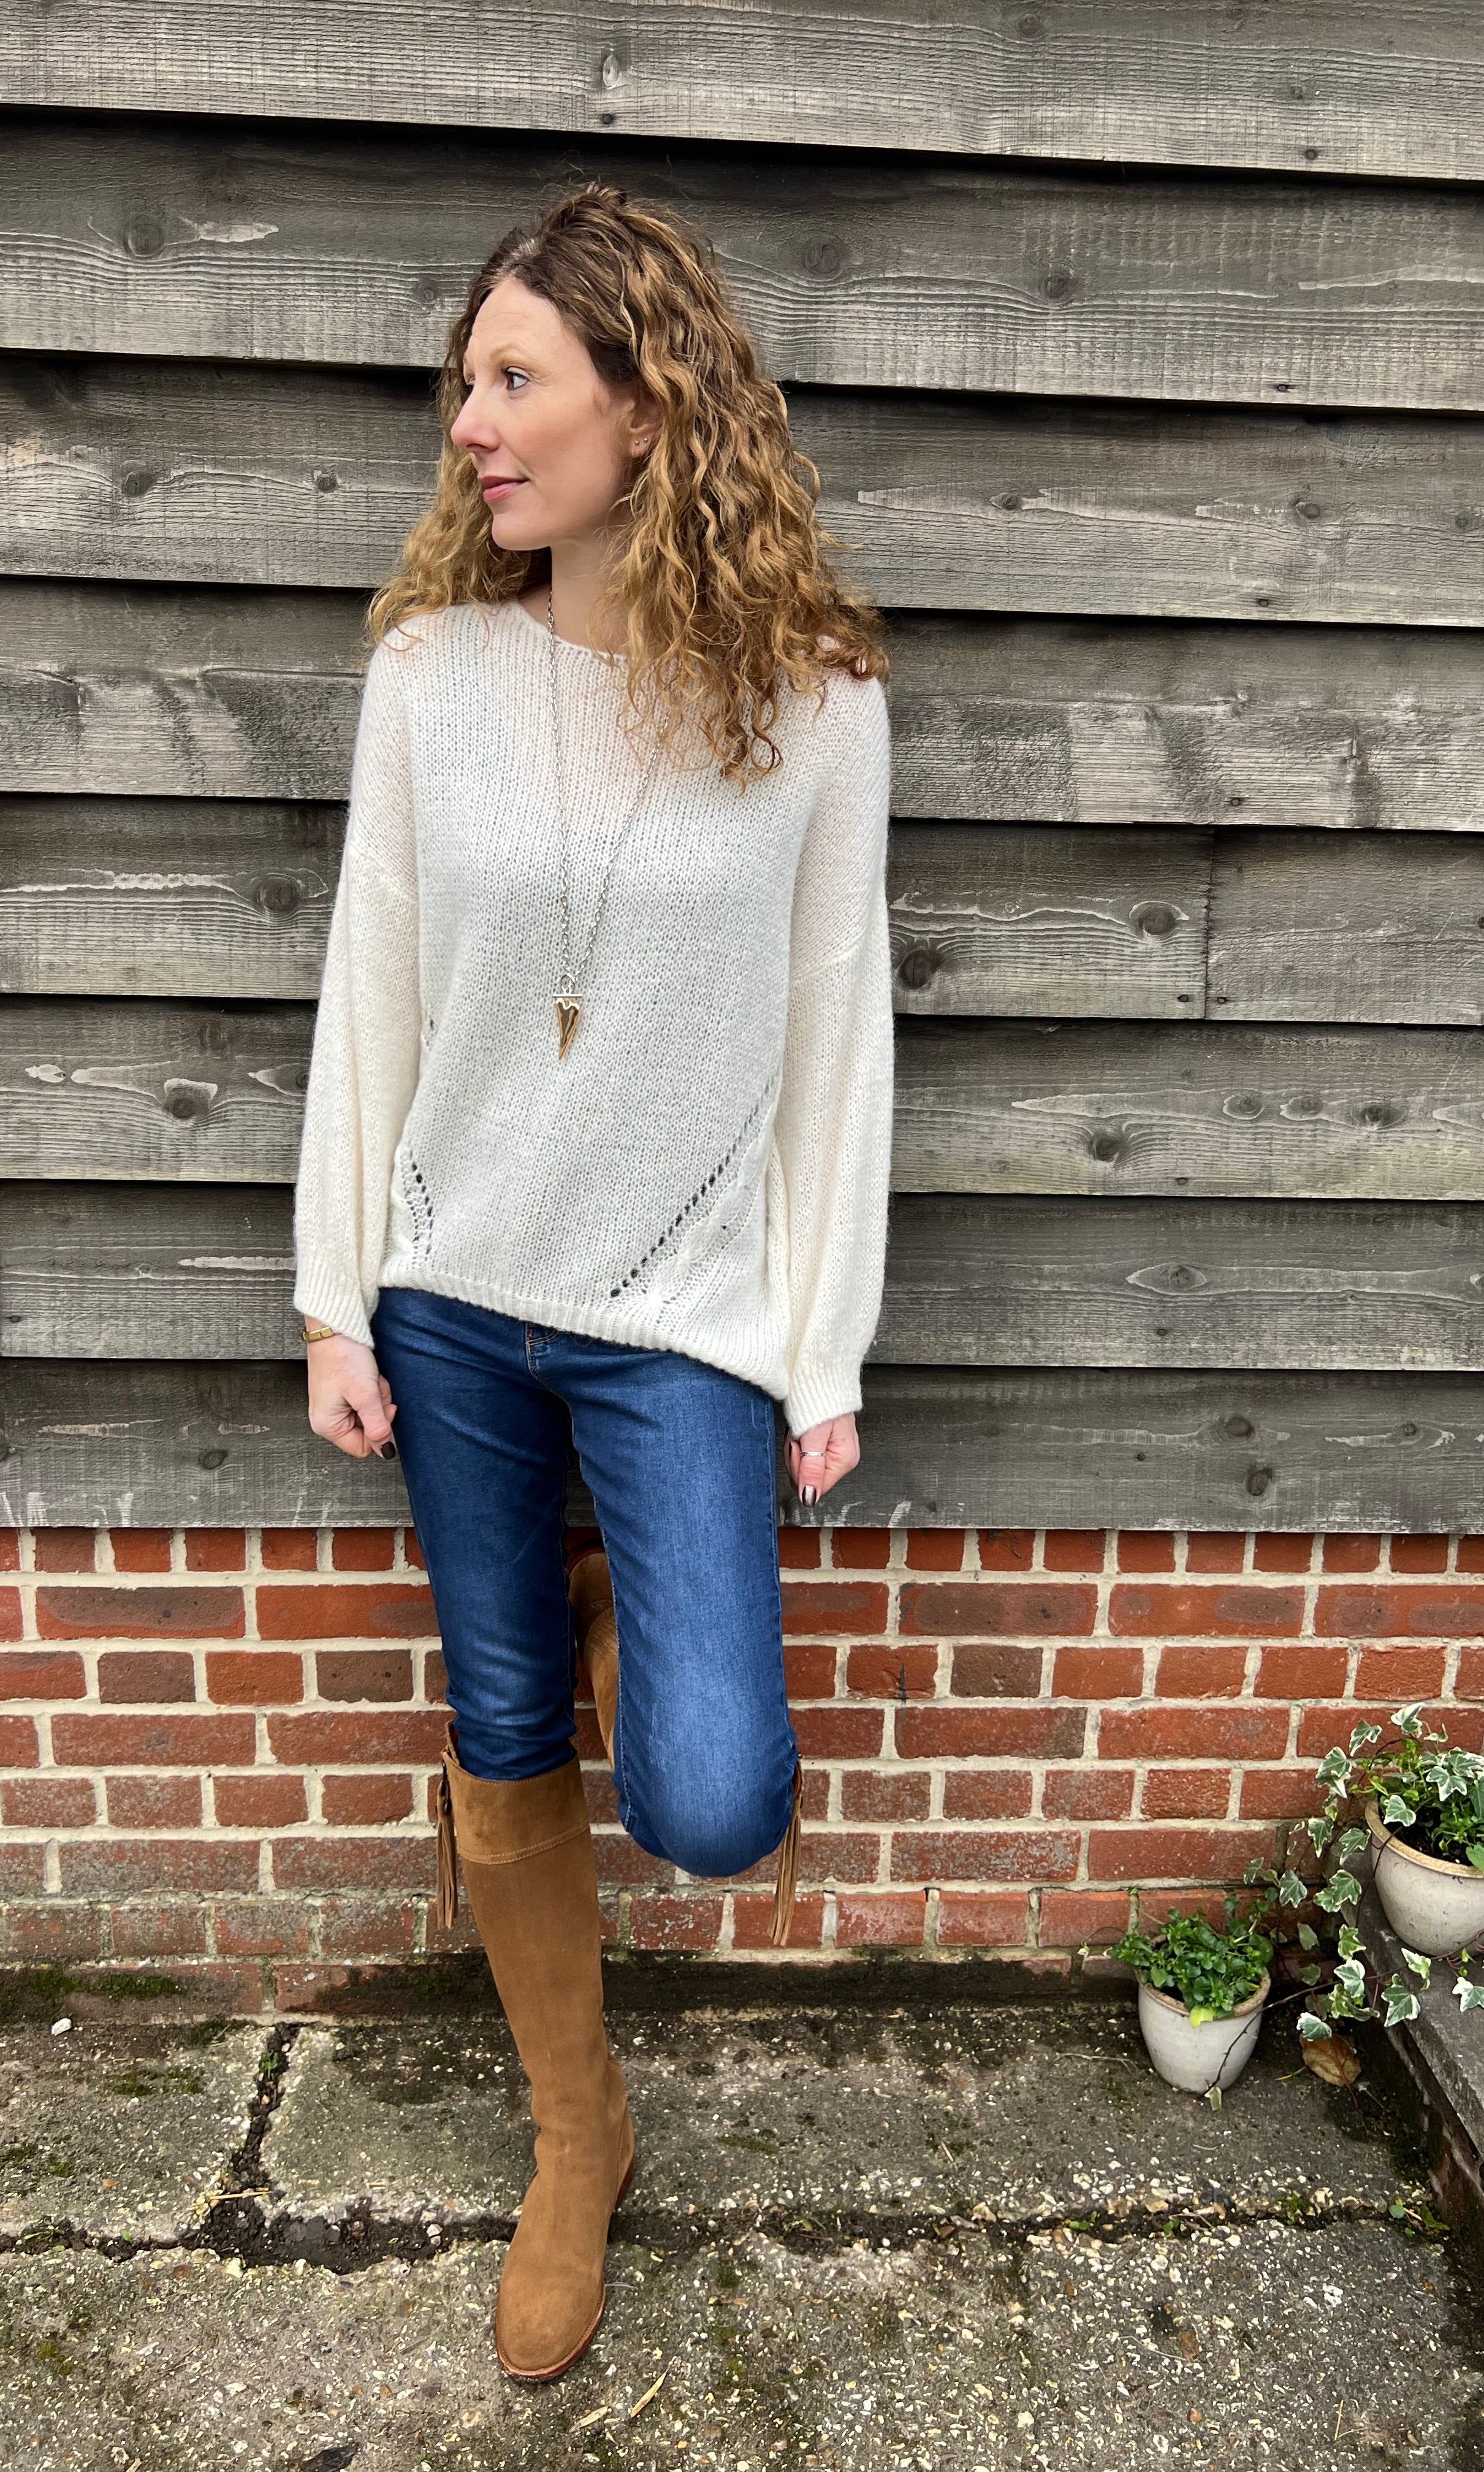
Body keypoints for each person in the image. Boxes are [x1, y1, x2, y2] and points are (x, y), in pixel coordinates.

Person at [290, 185, 894, 2381]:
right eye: (469, 382)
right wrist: (338, 1290)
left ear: (651, 410)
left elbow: (839, 1034)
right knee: (507, 1720)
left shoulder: (815, 708)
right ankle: (582, 2136)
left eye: (516, 379)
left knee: (717, 1796)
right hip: (457, 1297)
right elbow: (374, 984)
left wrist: (813, 1341)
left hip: (681, 1317)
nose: (472, 423)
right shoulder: (431, 677)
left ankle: (663, 1581)